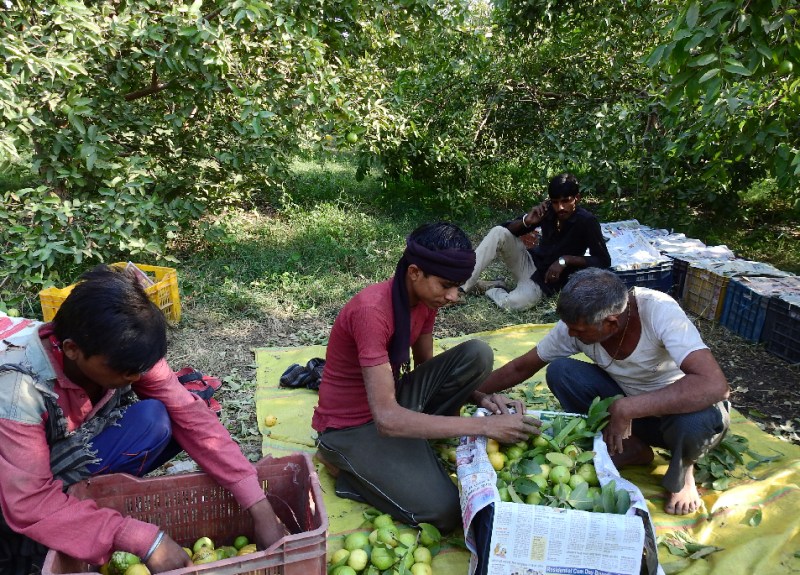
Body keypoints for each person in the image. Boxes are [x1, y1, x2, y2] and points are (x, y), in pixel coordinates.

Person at [0, 265, 286, 575]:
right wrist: (142, 539)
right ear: (72, 350)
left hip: (63, 449)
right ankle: (53, 529)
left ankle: (79, 512)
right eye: (126, 372)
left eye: (140, 369)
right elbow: (28, 501)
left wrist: (259, 505)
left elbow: (190, 417)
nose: (135, 378)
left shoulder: (121, 350)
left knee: (162, 417)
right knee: (29, 512)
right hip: (13, 476)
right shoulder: (17, 392)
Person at [312, 222, 540, 532]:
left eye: (458, 286)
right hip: (353, 426)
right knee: (445, 512)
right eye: (446, 285)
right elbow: (386, 419)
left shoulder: (425, 300)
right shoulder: (372, 313)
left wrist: (480, 397)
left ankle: (418, 441)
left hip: (391, 399)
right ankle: (345, 466)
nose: (453, 296)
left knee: (478, 354)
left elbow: (425, 367)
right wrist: (486, 424)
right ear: (415, 272)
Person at [478, 268, 730, 515]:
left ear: (611, 322)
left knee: (697, 421)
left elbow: (714, 385)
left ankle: (683, 472)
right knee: (561, 371)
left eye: (578, 330)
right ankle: (632, 447)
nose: (571, 334)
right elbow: (521, 367)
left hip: (677, 418)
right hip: (629, 418)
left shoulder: (659, 312)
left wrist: (630, 407)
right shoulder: (580, 324)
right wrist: (468, 392)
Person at [460, 172, 611, 310]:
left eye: (566, 201)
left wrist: (565, 260)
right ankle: (460, 288)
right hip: (530, 262)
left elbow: (603, 260)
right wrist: (527, 221)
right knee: (498, 232)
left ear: (577, 198)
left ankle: (493, 288)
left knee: (515, 303)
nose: (560, 207)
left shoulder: (587, 221)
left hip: (545, 281)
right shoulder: (547, 211)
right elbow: (508, 230)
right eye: (555, 202)